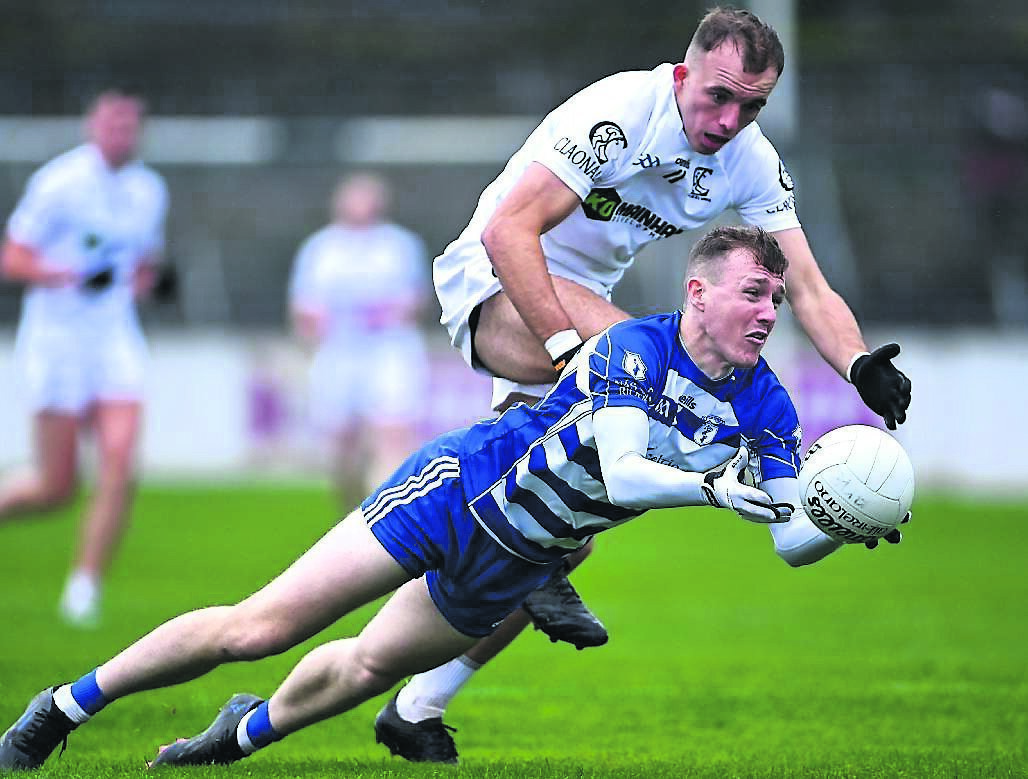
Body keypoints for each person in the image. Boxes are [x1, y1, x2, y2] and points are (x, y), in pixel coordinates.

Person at [0, 226, 903, 772]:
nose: (770, 311)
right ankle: (63, 707)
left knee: (367, 669)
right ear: (698, 293)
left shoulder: (769, 406)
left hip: (519, 561)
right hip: (460, 491)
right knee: (259, 628)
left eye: (777, 298)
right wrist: (714, 487)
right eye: (755, 292)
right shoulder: (636, 346)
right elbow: (625, 470)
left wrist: (836, 517)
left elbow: (788, 536)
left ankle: (235, 738)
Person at [388, 5, 912, 763]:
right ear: (684, 72)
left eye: (752, 106)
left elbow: (806, 284)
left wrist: (859, 364)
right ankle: (502, 568)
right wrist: (572, 354)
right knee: (644, 373)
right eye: (718, 96)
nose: (729, 120)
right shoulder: (619, 113)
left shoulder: (749, 159)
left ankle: (416, 704)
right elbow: (508, 233)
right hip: (494, 282)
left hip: (584, 306)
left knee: (561, 534)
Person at [0, 87, 170, 627]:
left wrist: (147, 282)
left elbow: (142, 263)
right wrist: (68, 276)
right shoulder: (59, 183)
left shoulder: (148, 189)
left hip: (115, 337)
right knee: (55, 487)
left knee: (120, 461)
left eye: (129, 126)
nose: (120, 135)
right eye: (111, 124)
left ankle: (84, 588)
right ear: (91, 127)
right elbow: (13, 258)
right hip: (57, 340)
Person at [288, 172, 430, 498]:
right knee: (342, 443)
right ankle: (351, 505)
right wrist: (315, 325)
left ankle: (387, 511)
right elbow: (303, 306)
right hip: (338, 351)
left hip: (389, 350)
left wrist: (390, 313)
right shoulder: (321, 248)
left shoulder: (399, 245)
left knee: (392, 432)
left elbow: (415, 298)